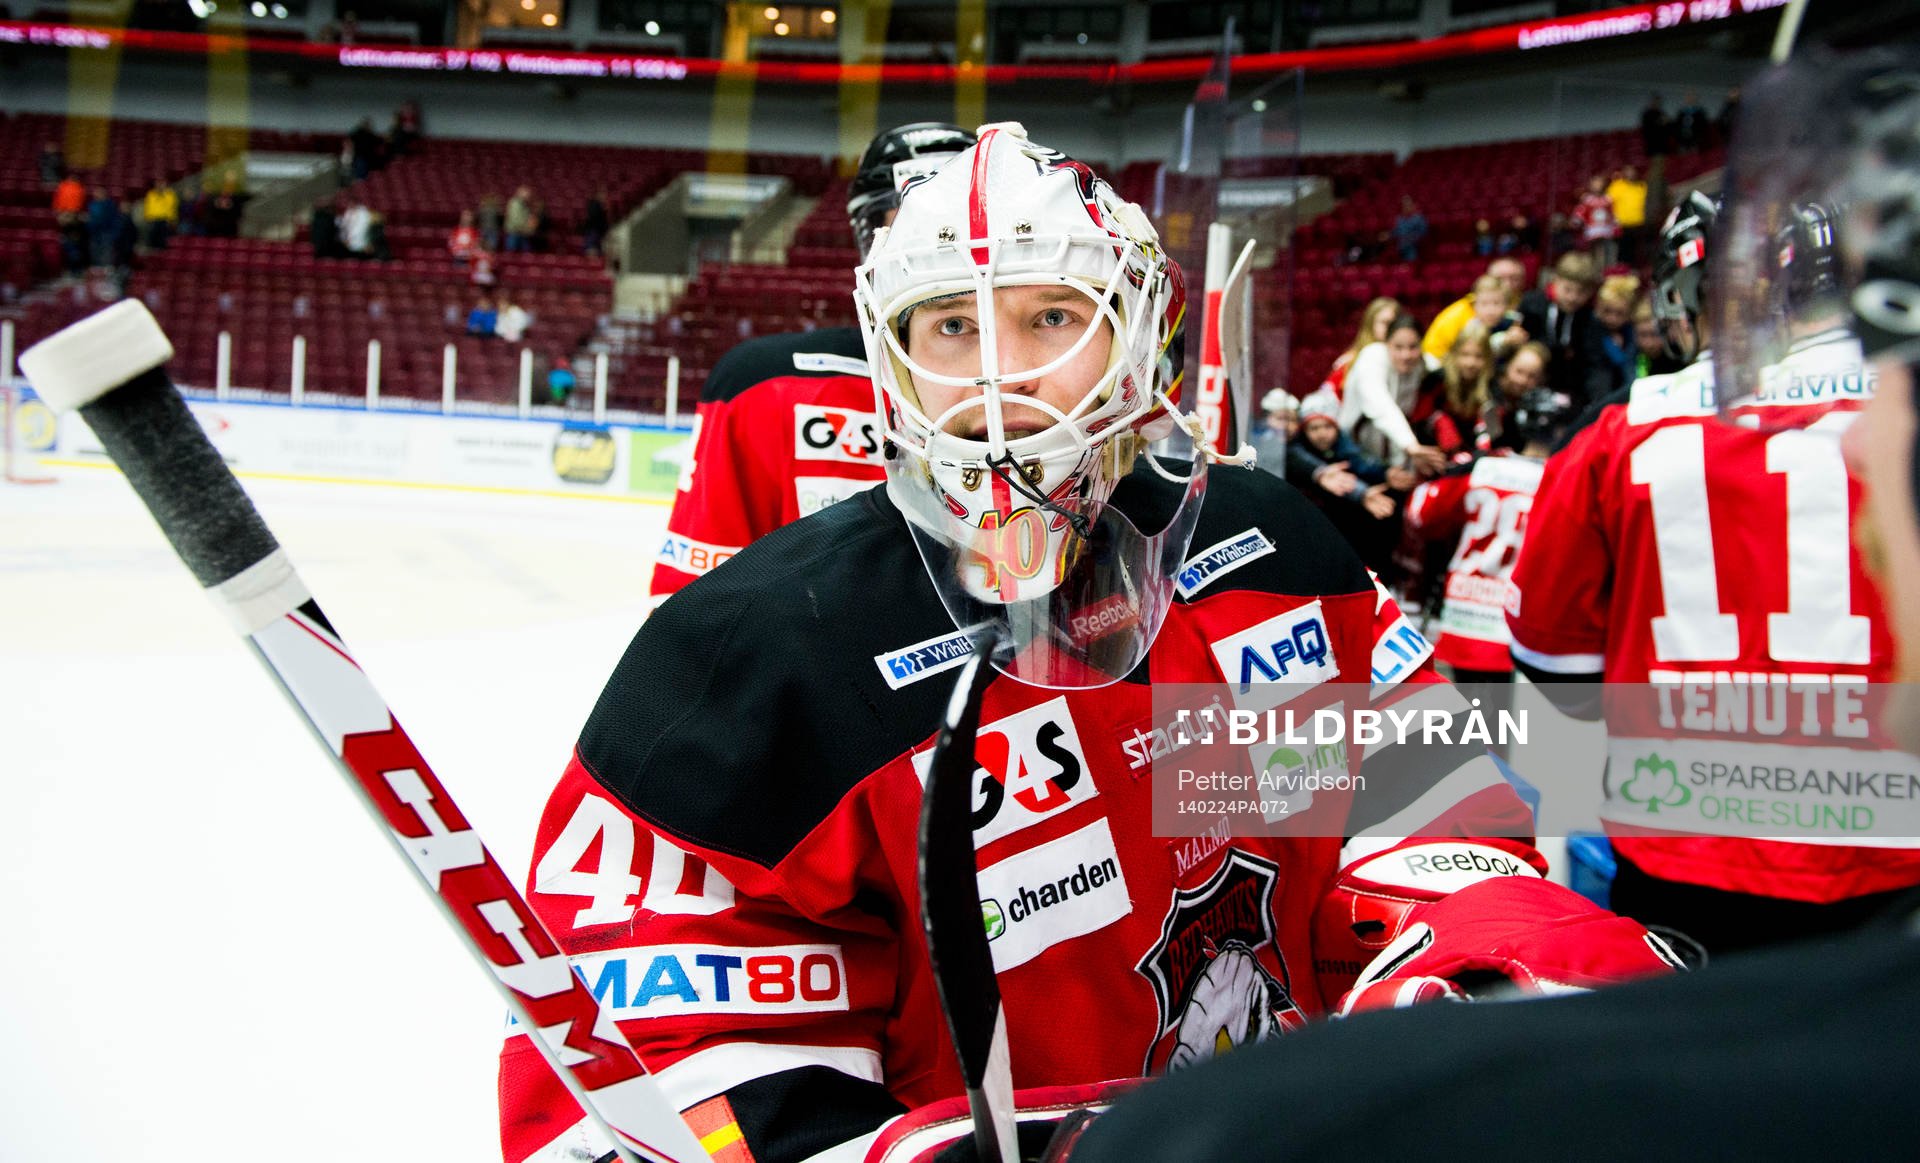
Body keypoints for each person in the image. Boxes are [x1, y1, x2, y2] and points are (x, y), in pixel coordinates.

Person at [496, 121, 1677, 1163]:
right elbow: (659, 1058)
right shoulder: (753, 660)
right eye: (949, 324)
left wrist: (1470, 960)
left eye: (1049, 316)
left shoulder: (1266, 549)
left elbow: (1411, 804)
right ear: (889, 351)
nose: (1000, 379)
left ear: (1134, 334)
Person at [1065, 52, 1920, 1163]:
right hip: (1885, 825)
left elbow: (1547, 654)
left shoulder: (1626, 428)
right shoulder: (1882, 407)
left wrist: (1559, 831)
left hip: (1689, 819)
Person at [1508, 176, 1912, 957]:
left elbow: (1554, 666)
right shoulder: (1902, 417)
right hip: (1891, 842)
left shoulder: (1615, 437)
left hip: (1685, 844)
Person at [649, 122, 977, 603]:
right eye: (914, 225)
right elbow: (692, 619)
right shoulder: (766, 389)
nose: (943, 252)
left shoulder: (1054, 389)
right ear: (873, 240)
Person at [1403, 385, 1573, 716]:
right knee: (1502, 730)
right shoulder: (1561, 481)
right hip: (1517, 626)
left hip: (1464, 620)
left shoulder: (1484, 468)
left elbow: (1420, 512)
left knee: (1468, 727)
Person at [1338, 313, 1448, 474]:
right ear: (1387, 344)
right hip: (1355, 454)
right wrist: (1410, 445)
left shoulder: (1424, 365)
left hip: (1398, 459)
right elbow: (1380, 406)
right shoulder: (1372, 357)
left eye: (1413, 347)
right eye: (1398, 347)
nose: (1406, 355)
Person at [1517, 251, 1599, 406]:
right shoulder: (1531, 305)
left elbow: (1593, 362)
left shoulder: (1589, 319)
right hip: (1532, 381)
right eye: (1567, 289)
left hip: (1570, 389)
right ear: (1555, 281)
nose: (1573, 297)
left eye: (1581, 292)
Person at [1420, 256, 1527, 360]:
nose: (1491, 310)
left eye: (1497, 303)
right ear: (1475, 303)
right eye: (1485, 304)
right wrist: (1503, 340)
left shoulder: (1513, 319)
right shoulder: (1466, 320)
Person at [1323, 295, 1402, 396]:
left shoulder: (1408, 359)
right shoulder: (1350, 360)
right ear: (1370, 325)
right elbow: (1326, 395)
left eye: (1395, 323)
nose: (1391, 328)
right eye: (1385, 323)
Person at [1583, 274, 1639, 399]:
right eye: (1607, 311)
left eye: (1619, 313)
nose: (1612, 319)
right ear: (1598, 308)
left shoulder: (1631, 332)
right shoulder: (1590, 328)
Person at [1572, 173, 1619, 271]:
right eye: (1595, 182)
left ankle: (1607, 272)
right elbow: (1580, 213)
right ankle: (1590, 272)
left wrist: (1616, 227)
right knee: (1592, 255)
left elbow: (1614, 214)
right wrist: (1576, 221)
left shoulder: (1608, 199)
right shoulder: (1587, 200)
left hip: (1606, 232)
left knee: (1607, 254)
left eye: (1600, 182)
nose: (1597, 185)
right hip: (1592, 232)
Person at [1607, 164, 1649, 266]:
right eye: (1628, 170)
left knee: (1639, 252)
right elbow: (1608, 203)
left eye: (1632, 170)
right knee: (1623, 251)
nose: (1630, 173)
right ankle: (1622, 270)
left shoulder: (1643, 186)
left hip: (1640, 224)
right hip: (1622, 225)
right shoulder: (1617, 186)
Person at [140, 178, 178, 251]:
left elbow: (172, 208)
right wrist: (149, 218)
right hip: (153, 220)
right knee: (151, 233)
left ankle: (162, 250)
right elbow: (148, 208)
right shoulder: (151, 194)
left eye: (162, 183)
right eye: (158, 183)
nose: (160, 185)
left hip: (165, 220)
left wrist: (171, 219)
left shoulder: (170, 194)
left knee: (163, 235)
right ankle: (152, 249)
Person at [1390, 195, 1428, 262]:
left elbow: (1423, 233)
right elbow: (1396, 231)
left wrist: (1410, 238)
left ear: (1413, 206)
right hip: (1400, 246)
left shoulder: (1419, 218)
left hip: (1414, 246)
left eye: (1408, 205)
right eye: (1404, 205)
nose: (1406, 207)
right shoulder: (1399, 219)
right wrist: (1389, 235)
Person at [504, 185, 536, 253]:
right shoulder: (515, 203)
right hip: (515, 231)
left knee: (525, 254)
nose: (528, 195)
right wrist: (527, 228)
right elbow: (516, 219)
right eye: (526, 193)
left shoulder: (525, 204)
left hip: (522, 232)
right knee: (512, 253)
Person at [582, 188, 610, 257]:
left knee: (598, 253)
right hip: (593, 232)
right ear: (597, 194)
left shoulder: (601, 206)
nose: (604, 196)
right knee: (591, 252)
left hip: (599, 234)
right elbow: (594, 218)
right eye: (602, 194)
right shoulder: (594, 205)